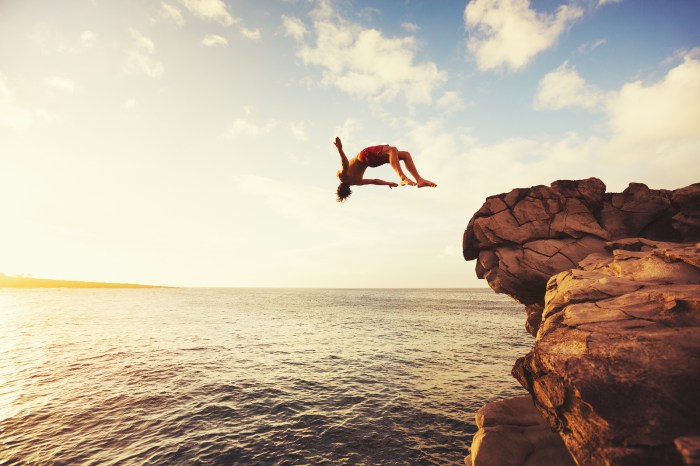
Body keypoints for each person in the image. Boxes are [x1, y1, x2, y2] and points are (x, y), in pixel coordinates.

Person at [333, 137, 437, 202]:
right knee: (392, 150)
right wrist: (340, 150)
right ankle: (403, 178)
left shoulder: (357, 182)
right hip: (365, 156)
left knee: (404, 155)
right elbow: (345, 164)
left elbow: (375, 181)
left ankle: (419, 180)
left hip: (372, 162)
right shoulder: (341, 176)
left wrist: (389, 183)